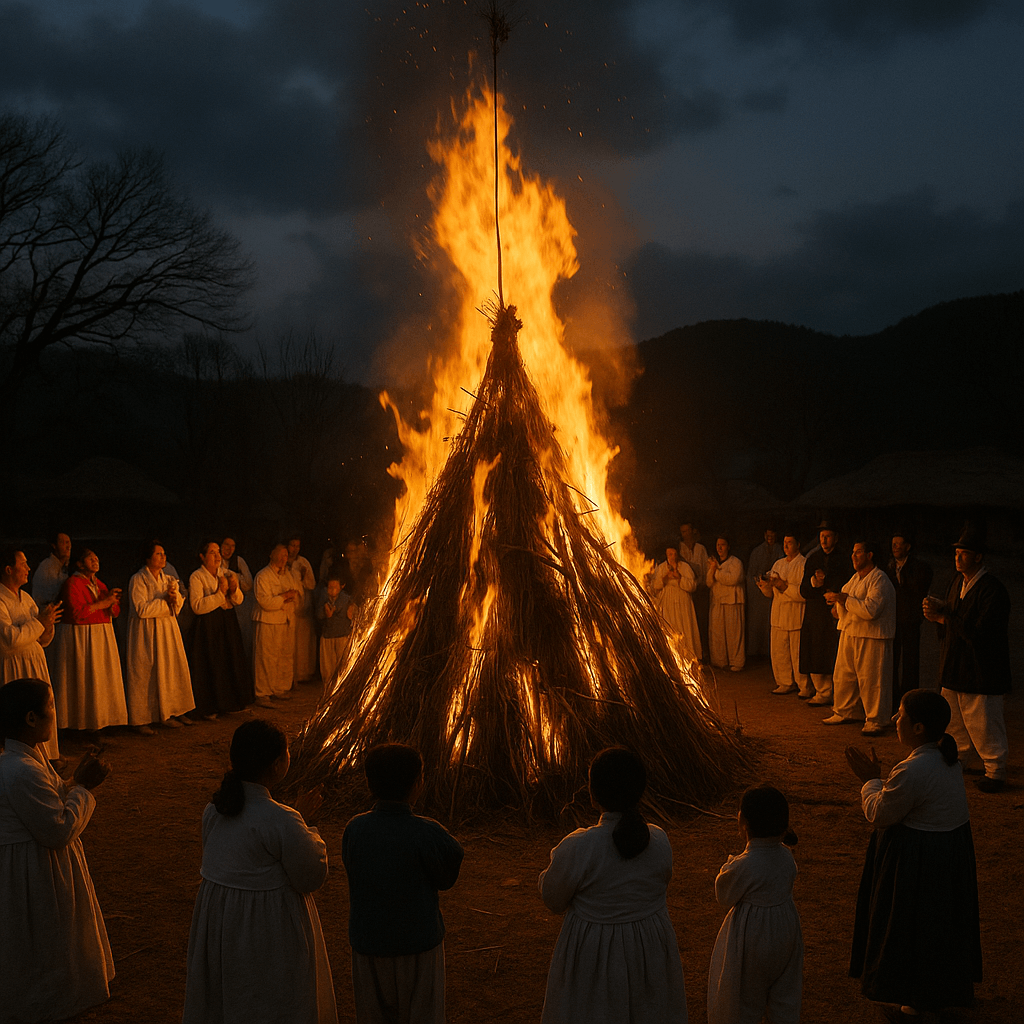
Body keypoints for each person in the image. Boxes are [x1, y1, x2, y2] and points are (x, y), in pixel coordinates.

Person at [182, 719, 337, 1024]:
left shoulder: (215, 809)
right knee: (268, 994)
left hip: (223, 924)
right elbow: (310, 875)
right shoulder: (282, 819)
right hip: (267, 929)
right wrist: (304, 824)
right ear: (277, 764)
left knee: (231, 992)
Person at [846, 689, 981, 1016]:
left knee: (912, 928)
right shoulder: (946, 760)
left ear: (918, 728)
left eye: (901, 715)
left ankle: (915, 998)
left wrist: (870, 781)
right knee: (939, 926)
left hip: (919, 861)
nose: (894, 719)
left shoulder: (914, 770)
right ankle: (938, 991)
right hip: (948, 855)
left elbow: (880, 813)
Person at [539, 747, 687, 1024]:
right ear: (640, 790)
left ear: (593, 794)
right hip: (649, 949)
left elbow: (553, 899)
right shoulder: (658, 840)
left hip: (593, 953)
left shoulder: (579, 847)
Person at [0, 678, 114, 1023]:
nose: (56, 712)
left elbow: (47, 800)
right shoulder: (20, 769)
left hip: (34, 862)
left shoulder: (25, 758)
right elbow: (57, 828)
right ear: (31, 718)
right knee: (45, 936)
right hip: (35, 868)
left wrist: (72, 782)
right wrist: (84, 788)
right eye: (51, 705)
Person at [342, 743, 464, 1024]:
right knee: (423, 1014)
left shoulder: (355, 828)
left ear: (369, 783)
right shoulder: (426, 832)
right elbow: (448, 873)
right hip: (418, 943)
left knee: (373, 1015)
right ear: (417, 784)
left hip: (368, 942)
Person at [923, 525, 1010, 793]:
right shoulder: (957, 583)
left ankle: (995, 770)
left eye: (964, 553)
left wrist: (944, 617)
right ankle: (958, 758)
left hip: (981, 670)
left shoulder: (992, 590)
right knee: (954, 719)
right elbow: (955, 617)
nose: (958, 558)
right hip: (955, 666)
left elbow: (982, 632)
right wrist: (939, 611)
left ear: (978, 557)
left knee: (983, 721)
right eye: (956, 553)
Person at [707, 785, 803, 1024]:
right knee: (784, 992)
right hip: (786, 929)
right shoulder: (786, 856)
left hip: (753, 936)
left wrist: (730, 863)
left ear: (743, 822)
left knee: (745, 997)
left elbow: (724, 895)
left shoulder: (745, 865)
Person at [50, 546, 128, 732]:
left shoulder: (99, 585)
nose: (95, 561)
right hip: (82, 638)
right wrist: (104, 603)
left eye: (96, 557)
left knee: (100, 678)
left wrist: (111, 602)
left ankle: (101, 719)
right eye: (90, 558)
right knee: (83, 679)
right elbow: (77, 613)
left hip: (100, 637)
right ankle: (81, 724)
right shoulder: (73, 584)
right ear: (79, 563)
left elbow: (114, 612)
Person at [823, 541, 896, 736]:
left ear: (870, 555)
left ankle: (876, 719)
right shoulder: (855, 579)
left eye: (858, 552)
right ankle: (845, 711)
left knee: (872, 679)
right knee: (844, 675)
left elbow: (871, 610)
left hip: (872, 636)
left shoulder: (879, 579)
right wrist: (838, 605)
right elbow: (845, 599)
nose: (853, 556)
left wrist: (843, 600)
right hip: (850, 632)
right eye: (853, 552)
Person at [124, 540, 194, 734]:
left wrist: (174, 599)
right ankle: (142, 718)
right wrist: (165, 602)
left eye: (164, 553)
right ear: (148, 558)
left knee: (170, 670)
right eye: (158, 554)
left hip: (167, 631)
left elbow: (176, 608)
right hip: (146, 633)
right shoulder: (138, 579)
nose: (163, 557)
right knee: (146, 673)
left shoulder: (169, 579)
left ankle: (172, 711)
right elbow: (141, 609)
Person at [1, 547, 63, 763]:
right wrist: (39, 623)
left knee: (40, 707)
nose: (28, 568)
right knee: (20, 714)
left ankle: (45, 757)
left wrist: (48, 625)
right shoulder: (1, 600)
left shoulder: (26, 598)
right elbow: (10, 639)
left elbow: (41, 639)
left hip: (34, 663)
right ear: (8, 569)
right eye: (23, 564)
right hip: (13, 667)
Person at [185, 540, 253, 720]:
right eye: (212, 553)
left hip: (227, 622)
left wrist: (233, 589)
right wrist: (220, 594)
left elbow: (239, 600)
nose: (217, 556)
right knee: (211, 664)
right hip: (208, 626)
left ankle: (230, 703)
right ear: (202, 557)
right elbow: (197, 606)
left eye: (218, 553)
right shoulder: (197, 576)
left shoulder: (226, 573)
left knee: (229, 660)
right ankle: (209, 707)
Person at [756, 533, 810, 698]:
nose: (786, 546)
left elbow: (803, 593)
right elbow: (771, 594)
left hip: (795, 615)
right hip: (778, 615)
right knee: (780, 651)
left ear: (798, 544)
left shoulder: (803, 564)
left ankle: (804, 685)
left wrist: (783, 585)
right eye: (785, 542)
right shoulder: (778, 564)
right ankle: (785, 682)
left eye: (790, 543)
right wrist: (764, 586)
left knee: (797, 653)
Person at [885, 532, 933, 712]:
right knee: (891, 660)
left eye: (899, 543)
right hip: (892, 620)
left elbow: (917, 589)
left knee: (910, 662)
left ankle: (910, 702)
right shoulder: (888, 567)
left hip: (910, 620)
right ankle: (892, 701)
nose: (895, 547)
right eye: (893, 543)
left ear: (908, 546)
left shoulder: (920, 567)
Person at [798, 521, 845, 706]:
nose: (824, 540)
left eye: (828, 536)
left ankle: (835, 692)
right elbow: (803, 590)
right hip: (815, 613)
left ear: (836, 538)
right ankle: (821, 690)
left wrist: (833, 591)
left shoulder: (843, 559)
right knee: (815, 650)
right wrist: (814, 583)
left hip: (834, 614)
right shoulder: (813, 558)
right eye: (821, 537)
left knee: (832, 652)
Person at [253, 544, 300, 706]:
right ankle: (263, 692)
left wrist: (290, 597)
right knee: (266, 658)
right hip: (268, 621)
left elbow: (296, 594)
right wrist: (284, 596)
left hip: (285, 620)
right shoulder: (263, 576)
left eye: (285, 555)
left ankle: (280, 688)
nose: (282, 558)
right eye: (280, 554)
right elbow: (265, 602)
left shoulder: (288, 575)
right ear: (271, 554)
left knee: (284, 656)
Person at [650, 544, 701, 659]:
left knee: (684, 628)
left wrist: (679, 577)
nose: (672, 557)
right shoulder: (662, 567)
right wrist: (665, 578)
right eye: (670, 554)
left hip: (683, 603)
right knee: (669, 627)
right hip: (667, 603)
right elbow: (655, 586)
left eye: (674, 554)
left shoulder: (685, 567)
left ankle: (688, 658)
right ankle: (671, 657)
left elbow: (692, 586)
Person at [706, 535, 745, 671]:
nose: (720, 548)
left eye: (722, 545)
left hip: (732, 601)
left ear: (728, 546)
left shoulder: (736, 562)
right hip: (717, 601)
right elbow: (709, 582)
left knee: (734, 633)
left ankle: (736, 661)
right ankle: (719, 661)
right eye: (718, 545)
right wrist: (712, 569)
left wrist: (716, 572)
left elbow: (733, 579)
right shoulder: (714, 563)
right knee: (717, 633)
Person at [746, 528, 782, 660]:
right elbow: (751, 574)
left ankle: (769, 653)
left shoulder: (780, 551)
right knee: (757, 623)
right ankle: (755, 653)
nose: (770, 537)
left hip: (774, 594)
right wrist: (758, 585)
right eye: (768, 535)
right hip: (758, 595)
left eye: (772, 535)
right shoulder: (757, 552)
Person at [286, 535, 318, 684]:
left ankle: (303, 673)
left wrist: (304, 576)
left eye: (297, 546)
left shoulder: (303, 562)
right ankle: (289, 675)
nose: (295, 549)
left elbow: (311, 585)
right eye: (292, 545)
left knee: (303, 642)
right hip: (288, 606)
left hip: (303, 608)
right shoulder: (283, 561)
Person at [220, 536, 255, 660]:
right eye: (226, 545)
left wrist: (234, 576)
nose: (229, 549)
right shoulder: (216, 560)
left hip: (238, 608)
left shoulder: (239, 561)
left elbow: (249, 584)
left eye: (232, 546)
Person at [679, 521, 710, 659]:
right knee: (690, 622)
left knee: (702, 621)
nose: (685, 534)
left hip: (700, 590)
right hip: (686, 590)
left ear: (692, 531)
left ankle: (705, 652)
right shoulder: (680, 548)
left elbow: (705, 568)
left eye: (687, 531)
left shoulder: (700, 549)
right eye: (683, 532)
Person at [316, 572, 354, 682]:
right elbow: (318, 615)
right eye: (330, 587)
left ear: (341, 587)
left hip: (342, 636)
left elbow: (352, 614)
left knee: (342, 666)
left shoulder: (346, 600)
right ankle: (328, 687)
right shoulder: (324, 599)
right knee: (327, 668)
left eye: (335, 587)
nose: (332, 590)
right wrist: (324, 612)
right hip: (327, 637)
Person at [30, 529, 71, 606]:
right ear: (54, 546)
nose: (67, 547)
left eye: (68, 542)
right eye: (62, 543)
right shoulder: (46, 567)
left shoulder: (67, 566)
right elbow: (46, 599)